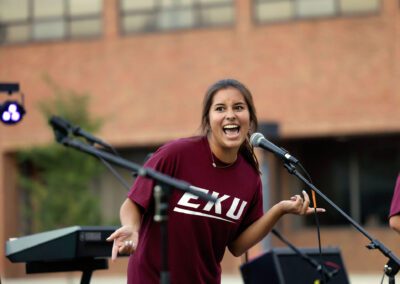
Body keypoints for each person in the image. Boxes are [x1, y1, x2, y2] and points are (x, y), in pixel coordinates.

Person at [107, 78, 325, 284]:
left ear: (249, 119)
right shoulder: (175, 154)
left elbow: (237, 246)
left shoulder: (250, 178)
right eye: (220, 108)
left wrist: (279, 210)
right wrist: (131, 228)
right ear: (208, 120)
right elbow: (133, 203)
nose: (230, 115)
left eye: (238, 107)